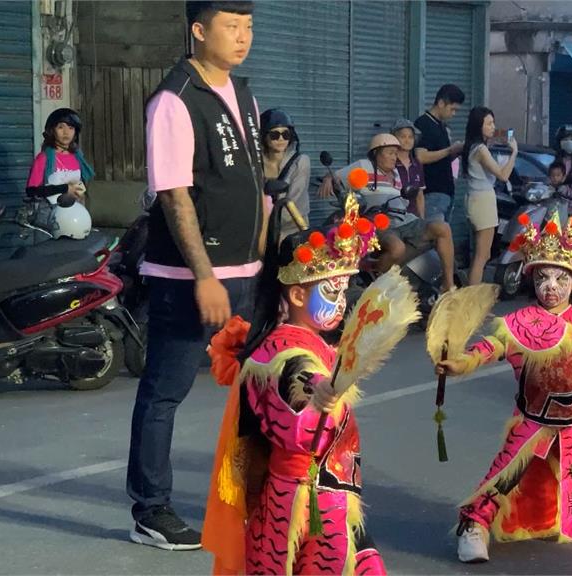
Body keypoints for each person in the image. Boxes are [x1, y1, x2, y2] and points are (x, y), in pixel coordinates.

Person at [437, 213, 572, 564]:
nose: (550, 286)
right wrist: (459, 363)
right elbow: (489, 349)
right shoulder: (518, 325)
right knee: (504, 478)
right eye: (542, 278)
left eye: (559, 278)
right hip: (533, 424)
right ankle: (474, 525)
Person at [129, 0, 260, 551]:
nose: (243, 37)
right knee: (166, 390)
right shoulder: (174, 100)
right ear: (198, 30)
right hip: (190, 278)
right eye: (231, 26)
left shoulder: (245, 94)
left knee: (258, 389)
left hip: (246, 271)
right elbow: (175, 194)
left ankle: (257, 493)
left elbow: (251, 182)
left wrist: (263, 254)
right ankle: (150, 509)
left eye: (249, 27)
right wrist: (203, 275)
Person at [202, 196, 391, 575]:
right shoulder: (282, 351)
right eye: (331, 292)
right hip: (303, 503)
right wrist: (319, 389)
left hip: (329, 492)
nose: (341, 305)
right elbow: (300, 378)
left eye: (343, 293)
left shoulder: (314, 342)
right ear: (298, 293)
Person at [336, 133, 456, 292]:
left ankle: (448, 284)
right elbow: (337, 178)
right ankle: (376, 280)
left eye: (395, 153)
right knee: (397, 248)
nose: (394, 157)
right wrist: (328, 181)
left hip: (405, 220)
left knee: (443, 228)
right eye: (390, 153)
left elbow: (404, 201)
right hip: (380, 223)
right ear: (376, 153)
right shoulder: (363, 166)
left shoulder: (396, 175)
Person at [461, 106, 517, 285]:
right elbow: (503, 175)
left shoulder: (475, 146)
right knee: (481, 255)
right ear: (479, 126)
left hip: (477, 198)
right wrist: (514, 152)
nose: (493, 127)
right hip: (482, 201)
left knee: (481, 253)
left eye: (493, 123)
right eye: (489, 123)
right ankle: (472, 298)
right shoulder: (480, 150)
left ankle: (472, 295)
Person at [415, 84, 466, 222]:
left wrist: (456, 152)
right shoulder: (424, 124)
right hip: (432, 191)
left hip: (446, 191)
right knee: (435, 234)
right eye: (452, 109)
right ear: (441, 103)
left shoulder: (441, 126)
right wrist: (450, 149)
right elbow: (421, 156)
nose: (453, 114)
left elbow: (441, 158)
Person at [25, 107, 94, 203]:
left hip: (75, 213)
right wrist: (64, 188)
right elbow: (31, 191)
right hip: (50, 213)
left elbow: (82, 187)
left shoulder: (78, 157)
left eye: (71, 128)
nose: (66, 132)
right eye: (61, 127)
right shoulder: (44, 158)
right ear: (52, 131)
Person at [260, 108, 310, 239]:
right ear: (264, 136)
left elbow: (294, 202)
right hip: (261, 232)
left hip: (292, 232)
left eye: (285, 134)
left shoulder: (300, 162)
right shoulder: (255, 162)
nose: (281, 139)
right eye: (274, 135)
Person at [392, 118, 426, 218]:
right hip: (394, 216)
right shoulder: (390, 162)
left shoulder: (417, 164)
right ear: (394, 138)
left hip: (413, 217)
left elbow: (420, 195)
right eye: (403, 136)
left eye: (411, 137)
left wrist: (422, 219)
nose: (407, 140)